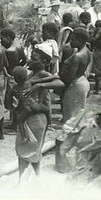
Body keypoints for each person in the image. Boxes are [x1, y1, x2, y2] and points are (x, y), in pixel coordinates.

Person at [15, 48, 64, 181]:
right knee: (24, 150)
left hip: (37, 118)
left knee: (31, 150)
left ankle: (33, 179)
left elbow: (60, 83)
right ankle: (25, 179)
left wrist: (40, 86)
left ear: (44, 61)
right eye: (31, 57)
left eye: (34, 58)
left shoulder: (43, 74)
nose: (30, 60)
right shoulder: (31, 75)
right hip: (30, 117)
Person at [61, 28, 91, 123]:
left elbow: (70, 76)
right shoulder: (87, 52)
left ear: (81, 41)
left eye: (73, 40)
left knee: (71, 116)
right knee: (79, 113)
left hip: (75, 85)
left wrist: (63, 87)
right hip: (83, 81)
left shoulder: (77, 57)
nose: (71, 42)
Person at [0, 27, 27, 131]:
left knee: (12, 100)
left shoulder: (7, 50)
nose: (1, 40)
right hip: (15, 75)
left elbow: (3, 64)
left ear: (9, 38)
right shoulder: (18, 47)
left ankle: (15, 123)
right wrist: (18, 68)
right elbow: (24, 60)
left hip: (9, 77)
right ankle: (14, 121)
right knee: (15, 100)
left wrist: (10, 71)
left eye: (3, 38)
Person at [91, 22, 101, 94]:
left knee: (99, 70)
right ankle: (97, 89)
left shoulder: (100, 29)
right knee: (99, 70)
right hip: (100, 51)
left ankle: (98, 88)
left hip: (99, 51)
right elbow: (96, 39)